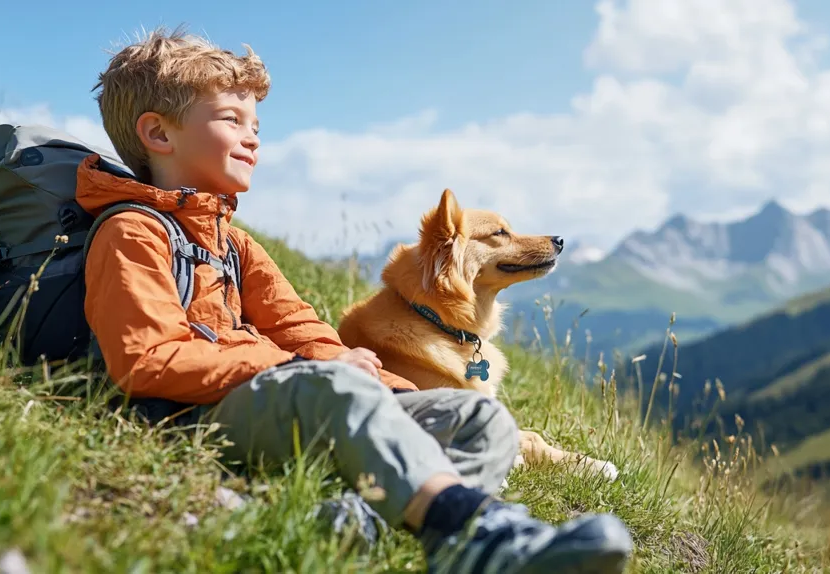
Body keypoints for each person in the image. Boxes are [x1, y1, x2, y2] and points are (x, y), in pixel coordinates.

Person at [79, 26, 633, 573]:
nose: (253, 138)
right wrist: (302, 367)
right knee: (332, 380)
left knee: (480, 418)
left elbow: (302, 328)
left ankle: (358, 520)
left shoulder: (234, 243)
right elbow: (146, 361)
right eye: (232, 120)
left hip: (287, 394)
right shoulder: (132, 232)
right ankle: (478, 536)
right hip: (196, 413)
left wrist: (393, 392)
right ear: (158, 134)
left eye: (256, 125)